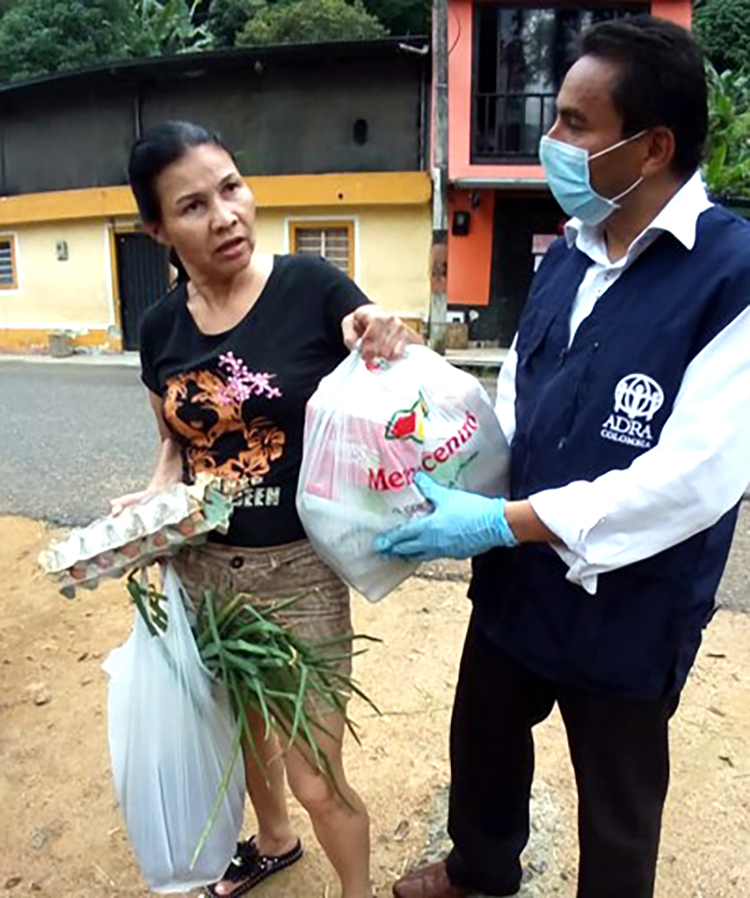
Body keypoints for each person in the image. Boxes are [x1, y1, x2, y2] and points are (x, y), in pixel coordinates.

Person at [376, 15, 750, 898]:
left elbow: (696, 475)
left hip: (630, 595)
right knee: (485, 735)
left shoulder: (733, 276)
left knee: (618, 798)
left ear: (652, 145)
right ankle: (478, 870)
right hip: (517, 570)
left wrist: (506, 520)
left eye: (575, 124)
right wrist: (461, 471)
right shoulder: (568, 254)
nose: (551, 143)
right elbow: (519, 381)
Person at [111, 120, 419, 898]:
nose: (225, 216)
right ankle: (274, 844)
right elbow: (175, 440)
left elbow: (374, 333)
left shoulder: (310, 286)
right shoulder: (159, 329)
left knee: (318, 777)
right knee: (247, 735)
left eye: (232, 188)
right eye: (192, 206)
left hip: (300, 573)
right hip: (202, 571)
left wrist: (380, 327)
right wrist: (155, 497)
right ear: (157, 231)